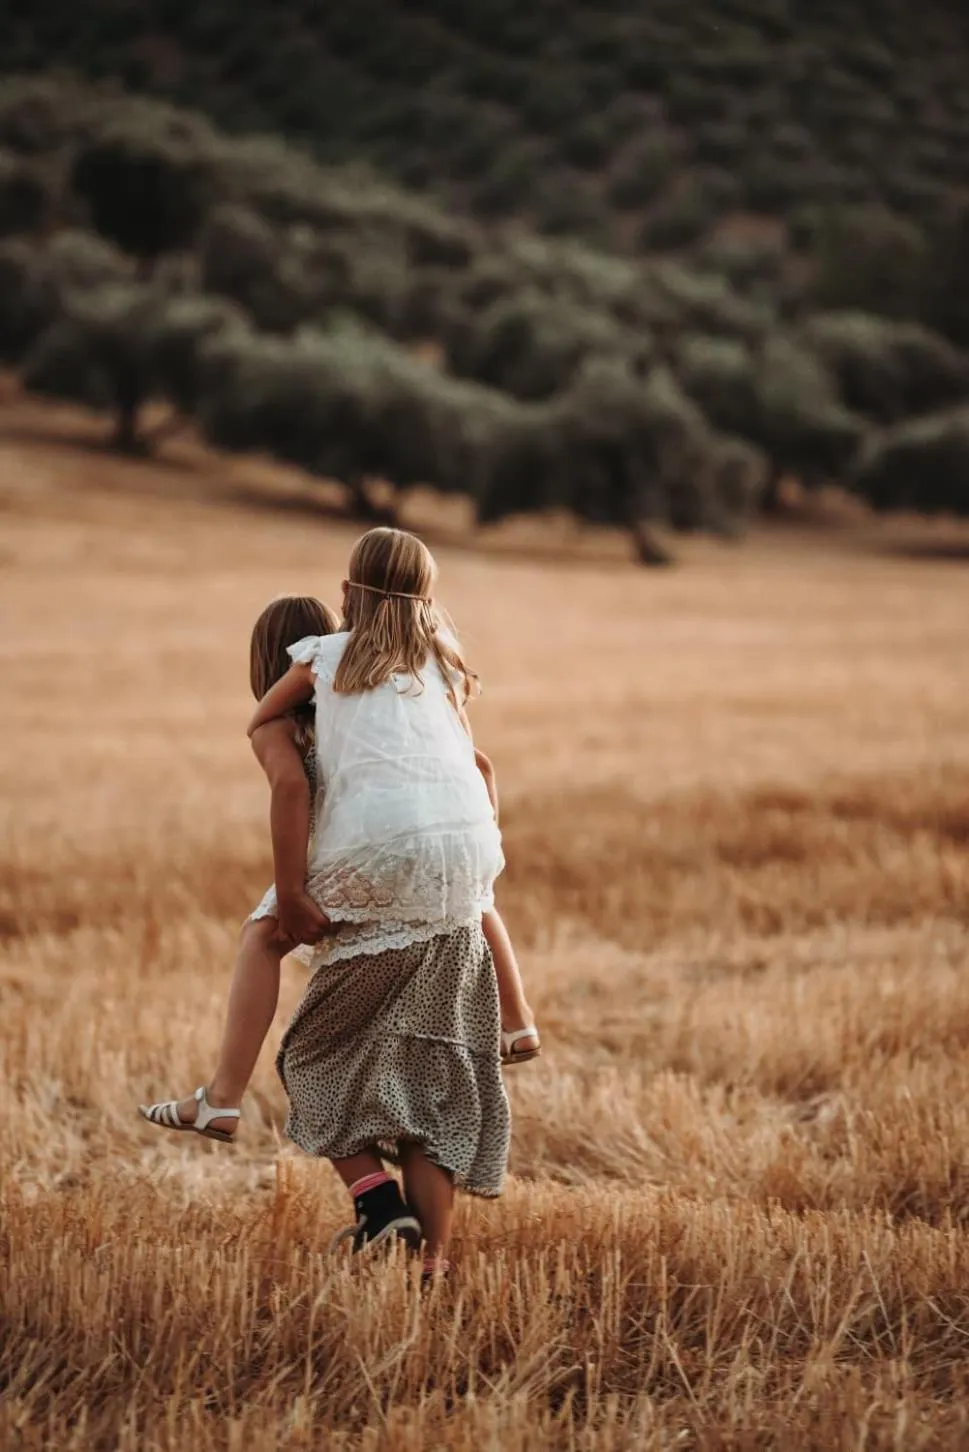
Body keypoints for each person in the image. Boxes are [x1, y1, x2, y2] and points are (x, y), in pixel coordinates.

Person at [140, 586, 537, 1155]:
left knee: (260, 938)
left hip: (355, 869)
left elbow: (291, 790)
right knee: (474, 898)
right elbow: (479, 765)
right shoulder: (371, 705)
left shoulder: (286, 726)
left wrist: (290, 888)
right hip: (426, 856)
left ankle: (222, 1097)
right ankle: (517, 1020)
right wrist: (481, 833)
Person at [251, 527, 512, 1278]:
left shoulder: (323, 661)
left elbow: (261, 718)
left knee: (313, 1055)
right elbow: (476, 760)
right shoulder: (444, 664)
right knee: (432, 1094)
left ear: (348, 596)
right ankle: (433, 1262)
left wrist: (294, 891)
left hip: (379, 878)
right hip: (460, 880)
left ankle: (374, 1199)